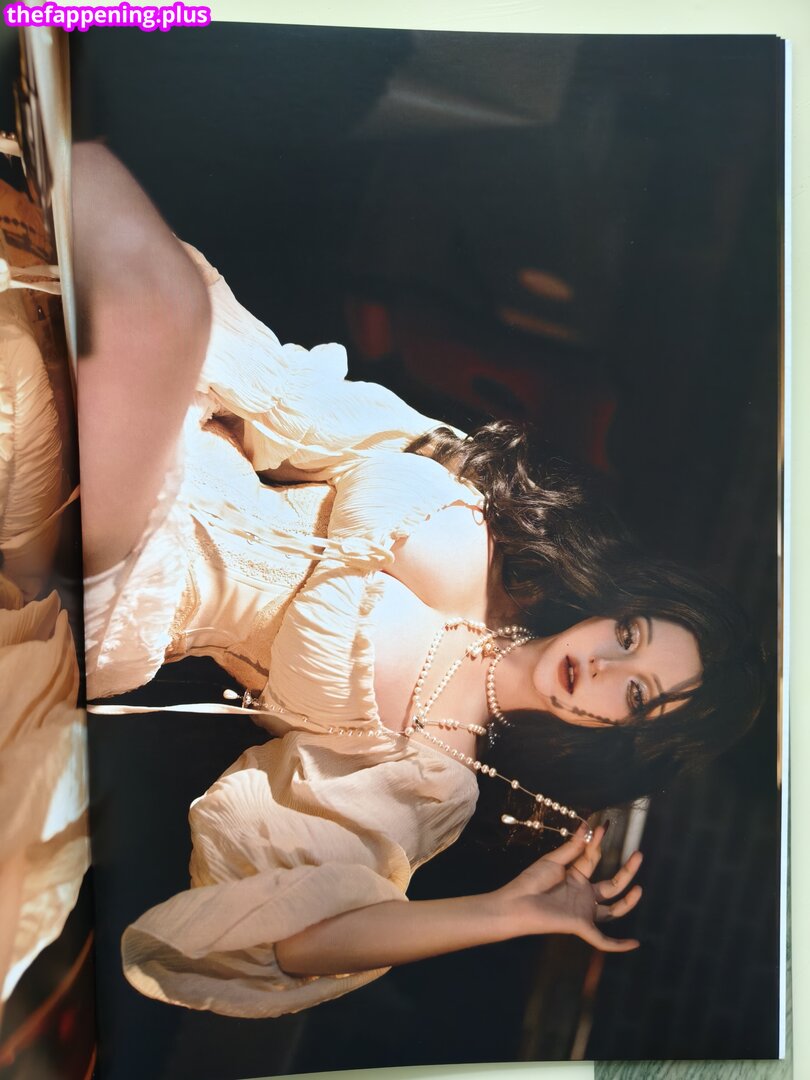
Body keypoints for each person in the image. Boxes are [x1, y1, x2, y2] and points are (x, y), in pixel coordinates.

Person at [74, 145, 763, 1019]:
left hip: (136, 581)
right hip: (165, 423)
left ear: (620, 736)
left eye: (635, 696)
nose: (604, 668)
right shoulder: (491, 510)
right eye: (629, 639)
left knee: (149, 297)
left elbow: (291, 940)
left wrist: (505, 914)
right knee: (99, 201)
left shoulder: (435, 776)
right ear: (619, 610)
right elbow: (295, 401)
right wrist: (187, 387)